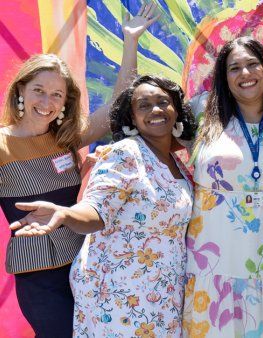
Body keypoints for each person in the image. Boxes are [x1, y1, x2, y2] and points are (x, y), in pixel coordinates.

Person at [0, 4, 159, 336]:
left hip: (86, 269)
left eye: (56, 95)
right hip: (40, 277)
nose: (47, 102)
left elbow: (119, 102)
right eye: (39, 91)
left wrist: (130, 42)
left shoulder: (67, 139)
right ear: (21, 91)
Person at [10, 74, 198, 337]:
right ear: (132, 117)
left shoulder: (178, 163)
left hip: (163, 294)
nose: (155, 109)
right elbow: (96, 210)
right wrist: (65, 214)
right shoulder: (125, 154)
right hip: (120, 295)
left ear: (176, 109)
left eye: (163, 102)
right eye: (143, 105)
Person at [182, 36, 263, 337]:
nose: (245, 74)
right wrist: (131, 43)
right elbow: (143, 120)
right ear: (224, 77)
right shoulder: (200, 112)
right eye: (234, 68)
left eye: (252, 64)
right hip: (210, 261)